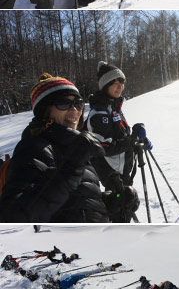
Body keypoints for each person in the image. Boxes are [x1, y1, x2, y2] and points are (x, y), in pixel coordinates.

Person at [0, 74, 135, 225]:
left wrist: (110, 204)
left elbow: (73, 204)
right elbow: (13, 216)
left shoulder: (75, 146)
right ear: (45, 110)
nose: (74, 110)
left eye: (78, 103)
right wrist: (72, 165)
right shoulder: (34, 147)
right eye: (64, 103)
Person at [86, 58, 149, 219]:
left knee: (126, 209)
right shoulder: (99, 113)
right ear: (105, 85)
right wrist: (132, 138)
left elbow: (121, 136)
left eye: (122, 82)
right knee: (119, 212)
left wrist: (136, 141)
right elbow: (105, 148)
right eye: (115, 83)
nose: (120, 86)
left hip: (123, 171)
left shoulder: (114, 109)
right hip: (112, 175)